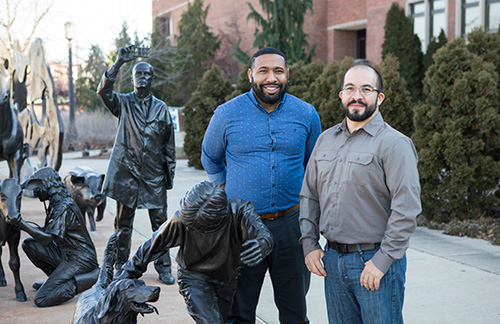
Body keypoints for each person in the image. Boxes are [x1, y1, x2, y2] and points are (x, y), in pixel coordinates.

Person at [201, 47, 321, 324]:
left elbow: (312, 165)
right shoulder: (226, 114)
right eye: (263, 70)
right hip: (241, 228)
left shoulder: (306, 114)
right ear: (250, 75)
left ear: (287, 74)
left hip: (292, 227)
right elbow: (210, 157)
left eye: (278, 71)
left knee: (294, 311)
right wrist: (224, 192)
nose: (271, 77)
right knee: (238, 310)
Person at [299, 63, 422, 323]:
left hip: (374, 262)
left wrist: (382, 261)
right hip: (332, 261)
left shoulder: (395, 144)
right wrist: (309, 245)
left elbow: (406, 209)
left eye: (366, 89)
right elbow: (309, 195)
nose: (357, 95)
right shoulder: (325, 140)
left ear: (379, 98)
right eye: (350, 88)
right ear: (341, 95)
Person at [119, 181, 273, 323]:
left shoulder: (239, 211)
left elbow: (262, 233)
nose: (191, 228)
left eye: (199, 227)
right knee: (211, 322)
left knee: (222, 319)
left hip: (227, 279)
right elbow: (153, 244)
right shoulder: (182, 219)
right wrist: (127, 274)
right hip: (194, 277)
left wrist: (263, 243)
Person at [97, 45, 176, 285]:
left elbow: (168, 145)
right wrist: (118, 63)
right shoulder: (123, 103)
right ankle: (122, 264)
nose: (142, 77)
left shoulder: (161, 108)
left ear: (152, 79)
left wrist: (168, 176)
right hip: (127, 174)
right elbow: (103, 92)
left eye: (146, 74)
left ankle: (163, 266)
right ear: (132, 79)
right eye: (137, 74)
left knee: (160, 224)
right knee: (123, 225)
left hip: (153, 175)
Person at [7, 167, 99, 307]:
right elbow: (46, 237)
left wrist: (20, 222)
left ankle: (90, 278)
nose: (36, 193)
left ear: (46, 185)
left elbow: (47, 239)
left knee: (42, 299)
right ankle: (56, 283)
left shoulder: (63, 206)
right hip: (66, 253)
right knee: (30, 245)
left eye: (37, 188)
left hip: (81, 259)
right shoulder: (56, 203)